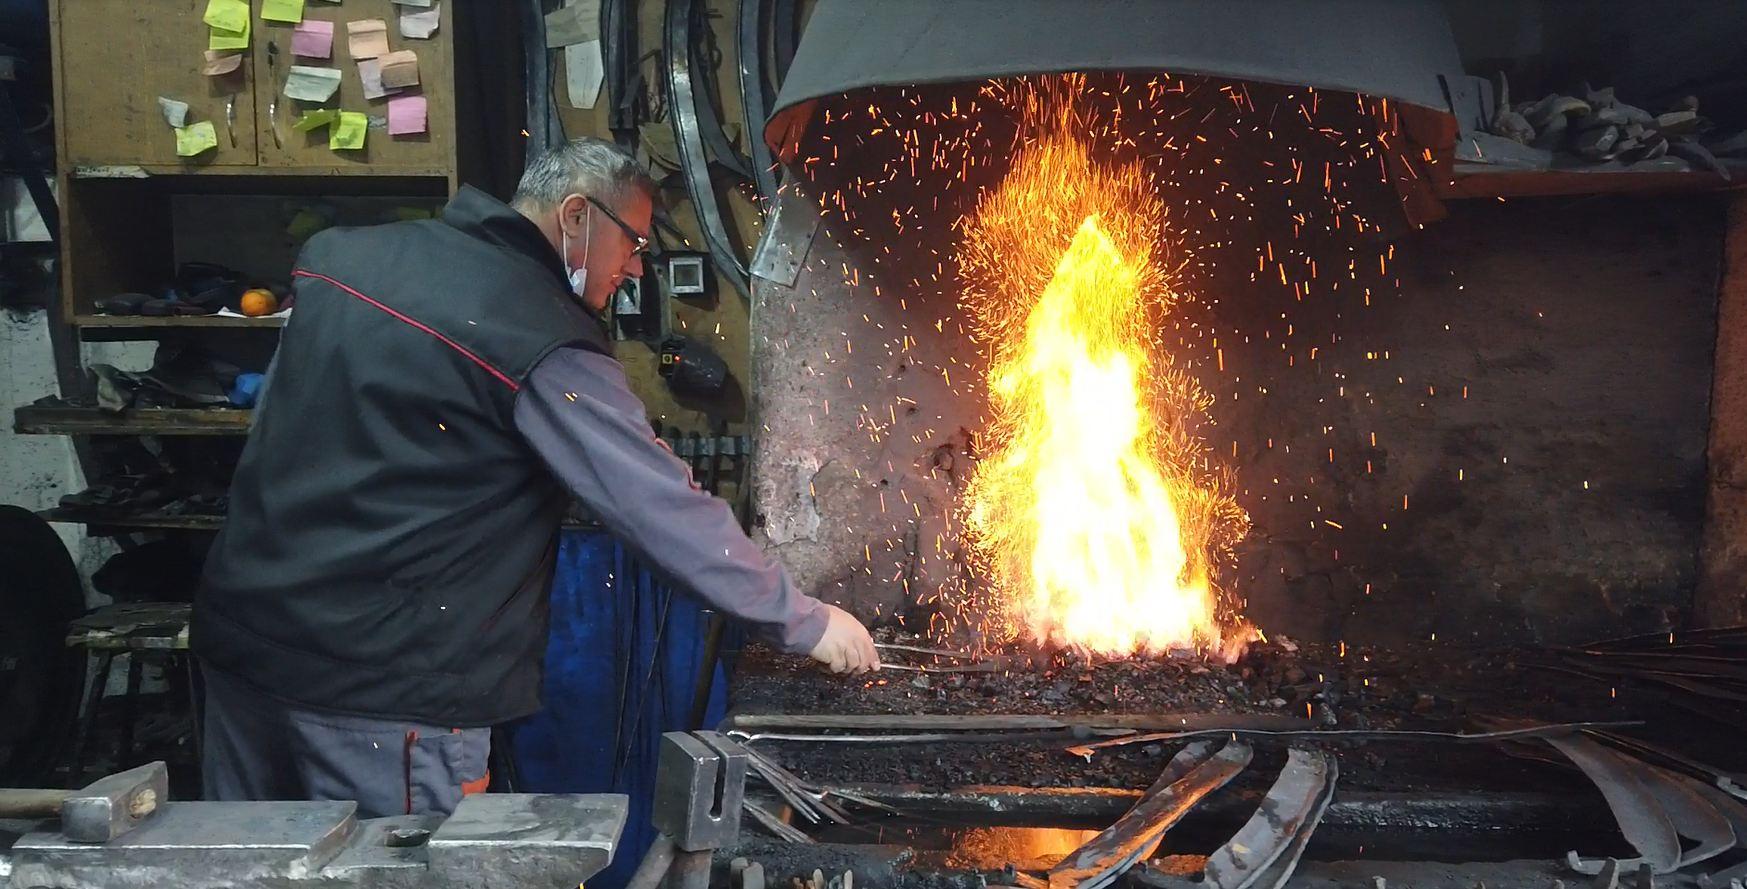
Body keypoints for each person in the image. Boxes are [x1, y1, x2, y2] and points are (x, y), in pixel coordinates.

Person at [190, 138, 878, 818]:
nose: (636, 269)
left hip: (239, 640)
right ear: (576, 215)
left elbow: (282, 419)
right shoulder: (537, 331)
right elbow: (651, 500)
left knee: (250, 862)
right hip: (384, 694)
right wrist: (800, 616)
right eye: (633, 242)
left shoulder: (349, 259)